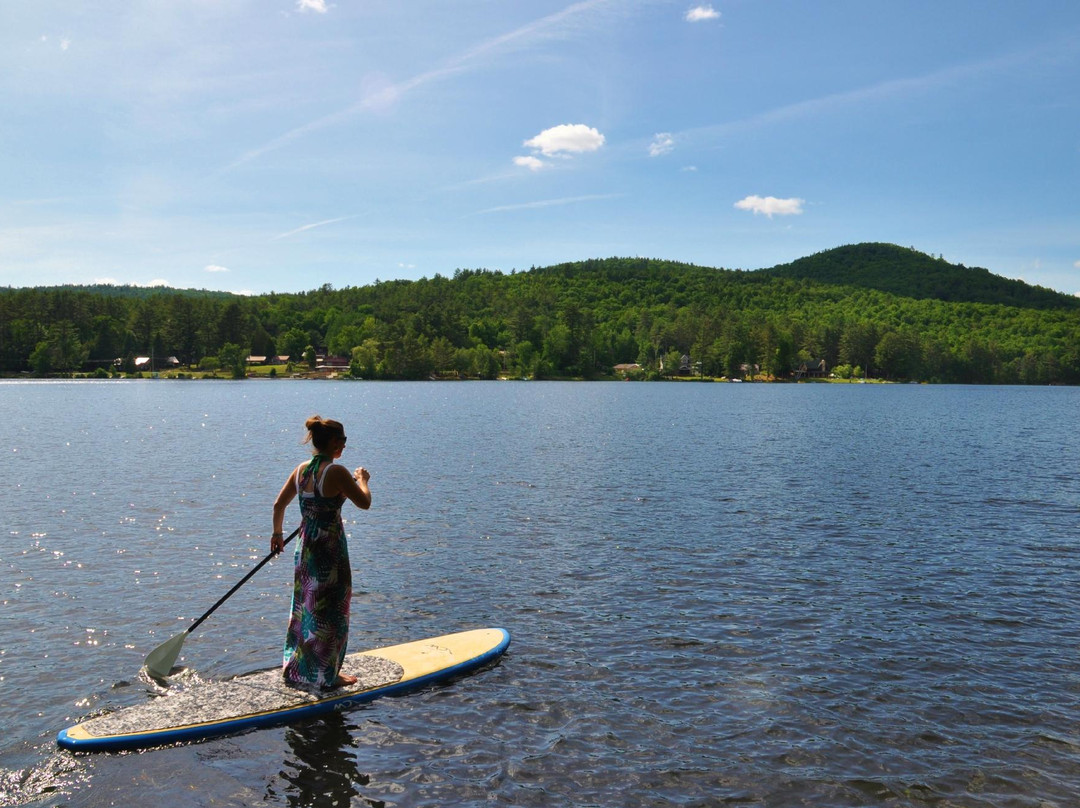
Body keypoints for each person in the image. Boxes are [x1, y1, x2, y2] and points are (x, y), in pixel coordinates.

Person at [272, 415, 371, 689]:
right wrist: (363, 479)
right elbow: (364, 503)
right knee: (332, 610)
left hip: (305, 547)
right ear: (333, 442)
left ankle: (301, 666)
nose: (345, 446)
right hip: (329, 549)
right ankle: (328, 675)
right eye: (343, 440)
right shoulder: (337, 472)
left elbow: (278, 505)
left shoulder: (301, 470)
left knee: (307, 606)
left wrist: (277, 535)